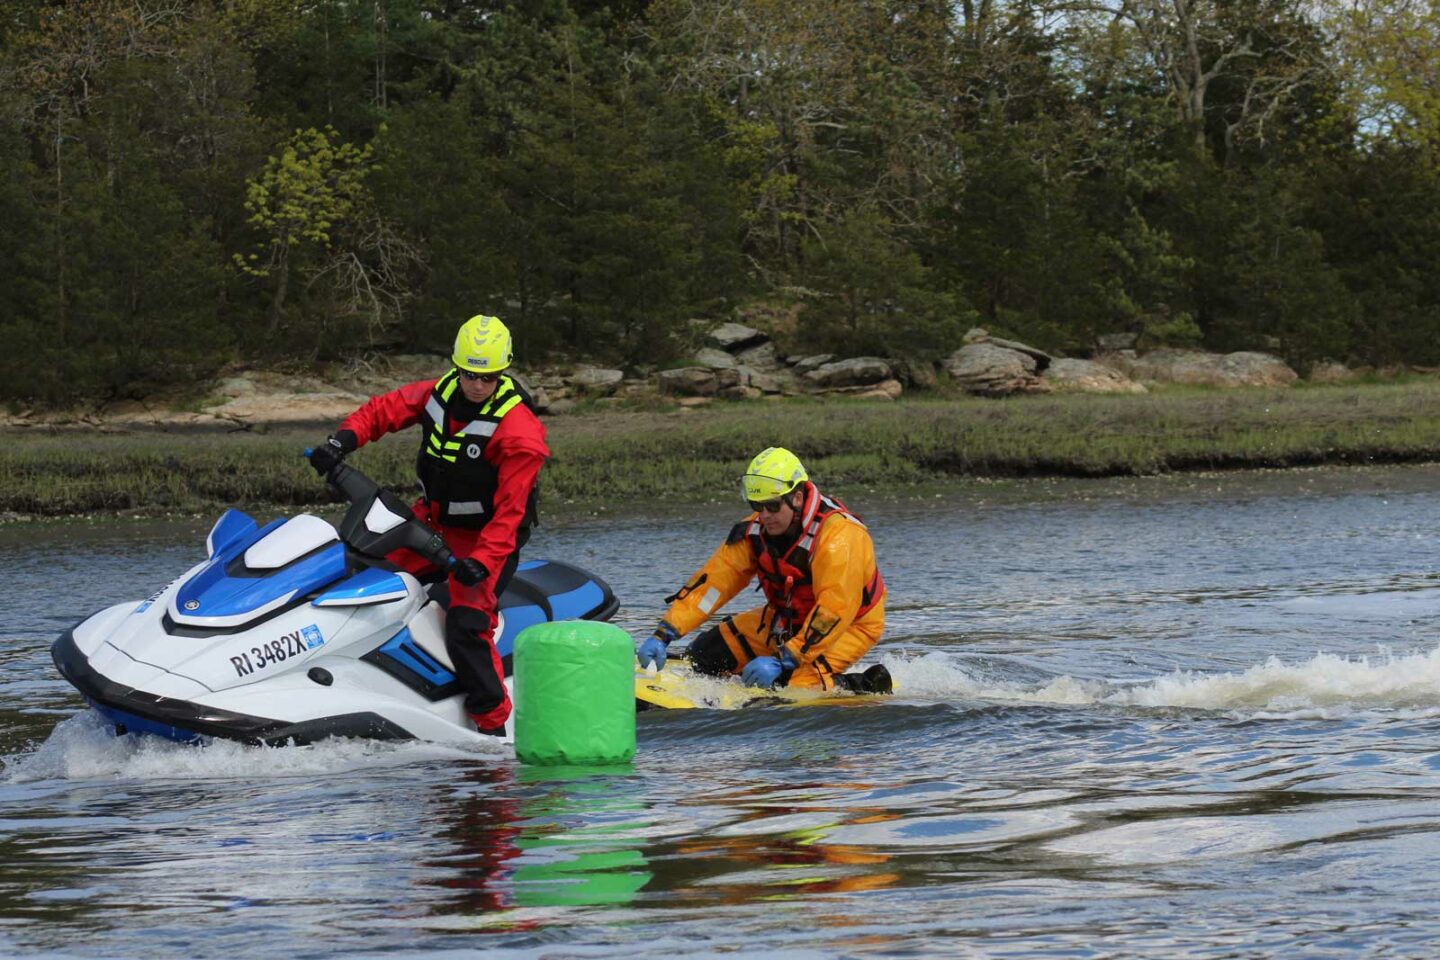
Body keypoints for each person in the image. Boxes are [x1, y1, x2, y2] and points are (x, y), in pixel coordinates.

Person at [308, 314, 548, 736]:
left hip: (486, 540)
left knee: (466, 621)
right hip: (430, 523)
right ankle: (326, 677)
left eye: (488, 377)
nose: (477, 385)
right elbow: (382, 410)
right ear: (457, 367)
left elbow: (509, 515)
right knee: (351, 571)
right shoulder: (437, 395)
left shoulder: (520, 434)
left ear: (502, 372)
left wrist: (482, 562)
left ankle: (491, 726)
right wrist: (342, 441)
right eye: (470, 374)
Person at [637, 447, 891, 693]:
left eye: (772, 506)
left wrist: (786, 661)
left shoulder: (840, 537)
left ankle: (864, 685)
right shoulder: (753, 532)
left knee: (795, 688)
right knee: (704, 655)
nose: (765, 515)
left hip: (850, 625)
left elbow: (835, 610)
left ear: (797, 498)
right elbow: (712, 588)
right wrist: (665, 633)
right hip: (787, 618)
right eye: (757, 506)